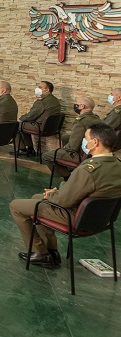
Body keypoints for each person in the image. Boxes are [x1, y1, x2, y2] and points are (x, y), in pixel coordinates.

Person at [10, 123, 121, 267]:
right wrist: (55, 192)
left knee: (16, 206)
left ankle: (39, 252)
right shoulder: (116, 165)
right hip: (101, 218)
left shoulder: (88, 170)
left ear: (95, 142)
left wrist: (51, 195)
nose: (84, 141)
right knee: (36, 198)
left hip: (75, 217)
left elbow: (63, 201)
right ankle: (52, 251)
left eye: (85, 138)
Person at [42, 97, 100, 179]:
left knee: (46, 156)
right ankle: (69, 167)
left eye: (76, 103)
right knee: (66, 137)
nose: (75, 105)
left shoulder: (81, 122)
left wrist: (63, 149)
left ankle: (67, 177)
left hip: (80, 154)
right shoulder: (96, 118)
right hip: (91, 152)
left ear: (82, 106)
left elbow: (73, 146)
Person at [16, 81, 61, 155]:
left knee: (17, 125)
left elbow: (30, 116)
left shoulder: (42, 102)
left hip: (40, 126)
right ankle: (30, 148)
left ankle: (22, 149)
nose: (37, 89)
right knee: (23, 124)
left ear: (47, 90)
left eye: (40, 87)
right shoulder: (55, 100)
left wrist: (21, 118)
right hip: (52, 127)